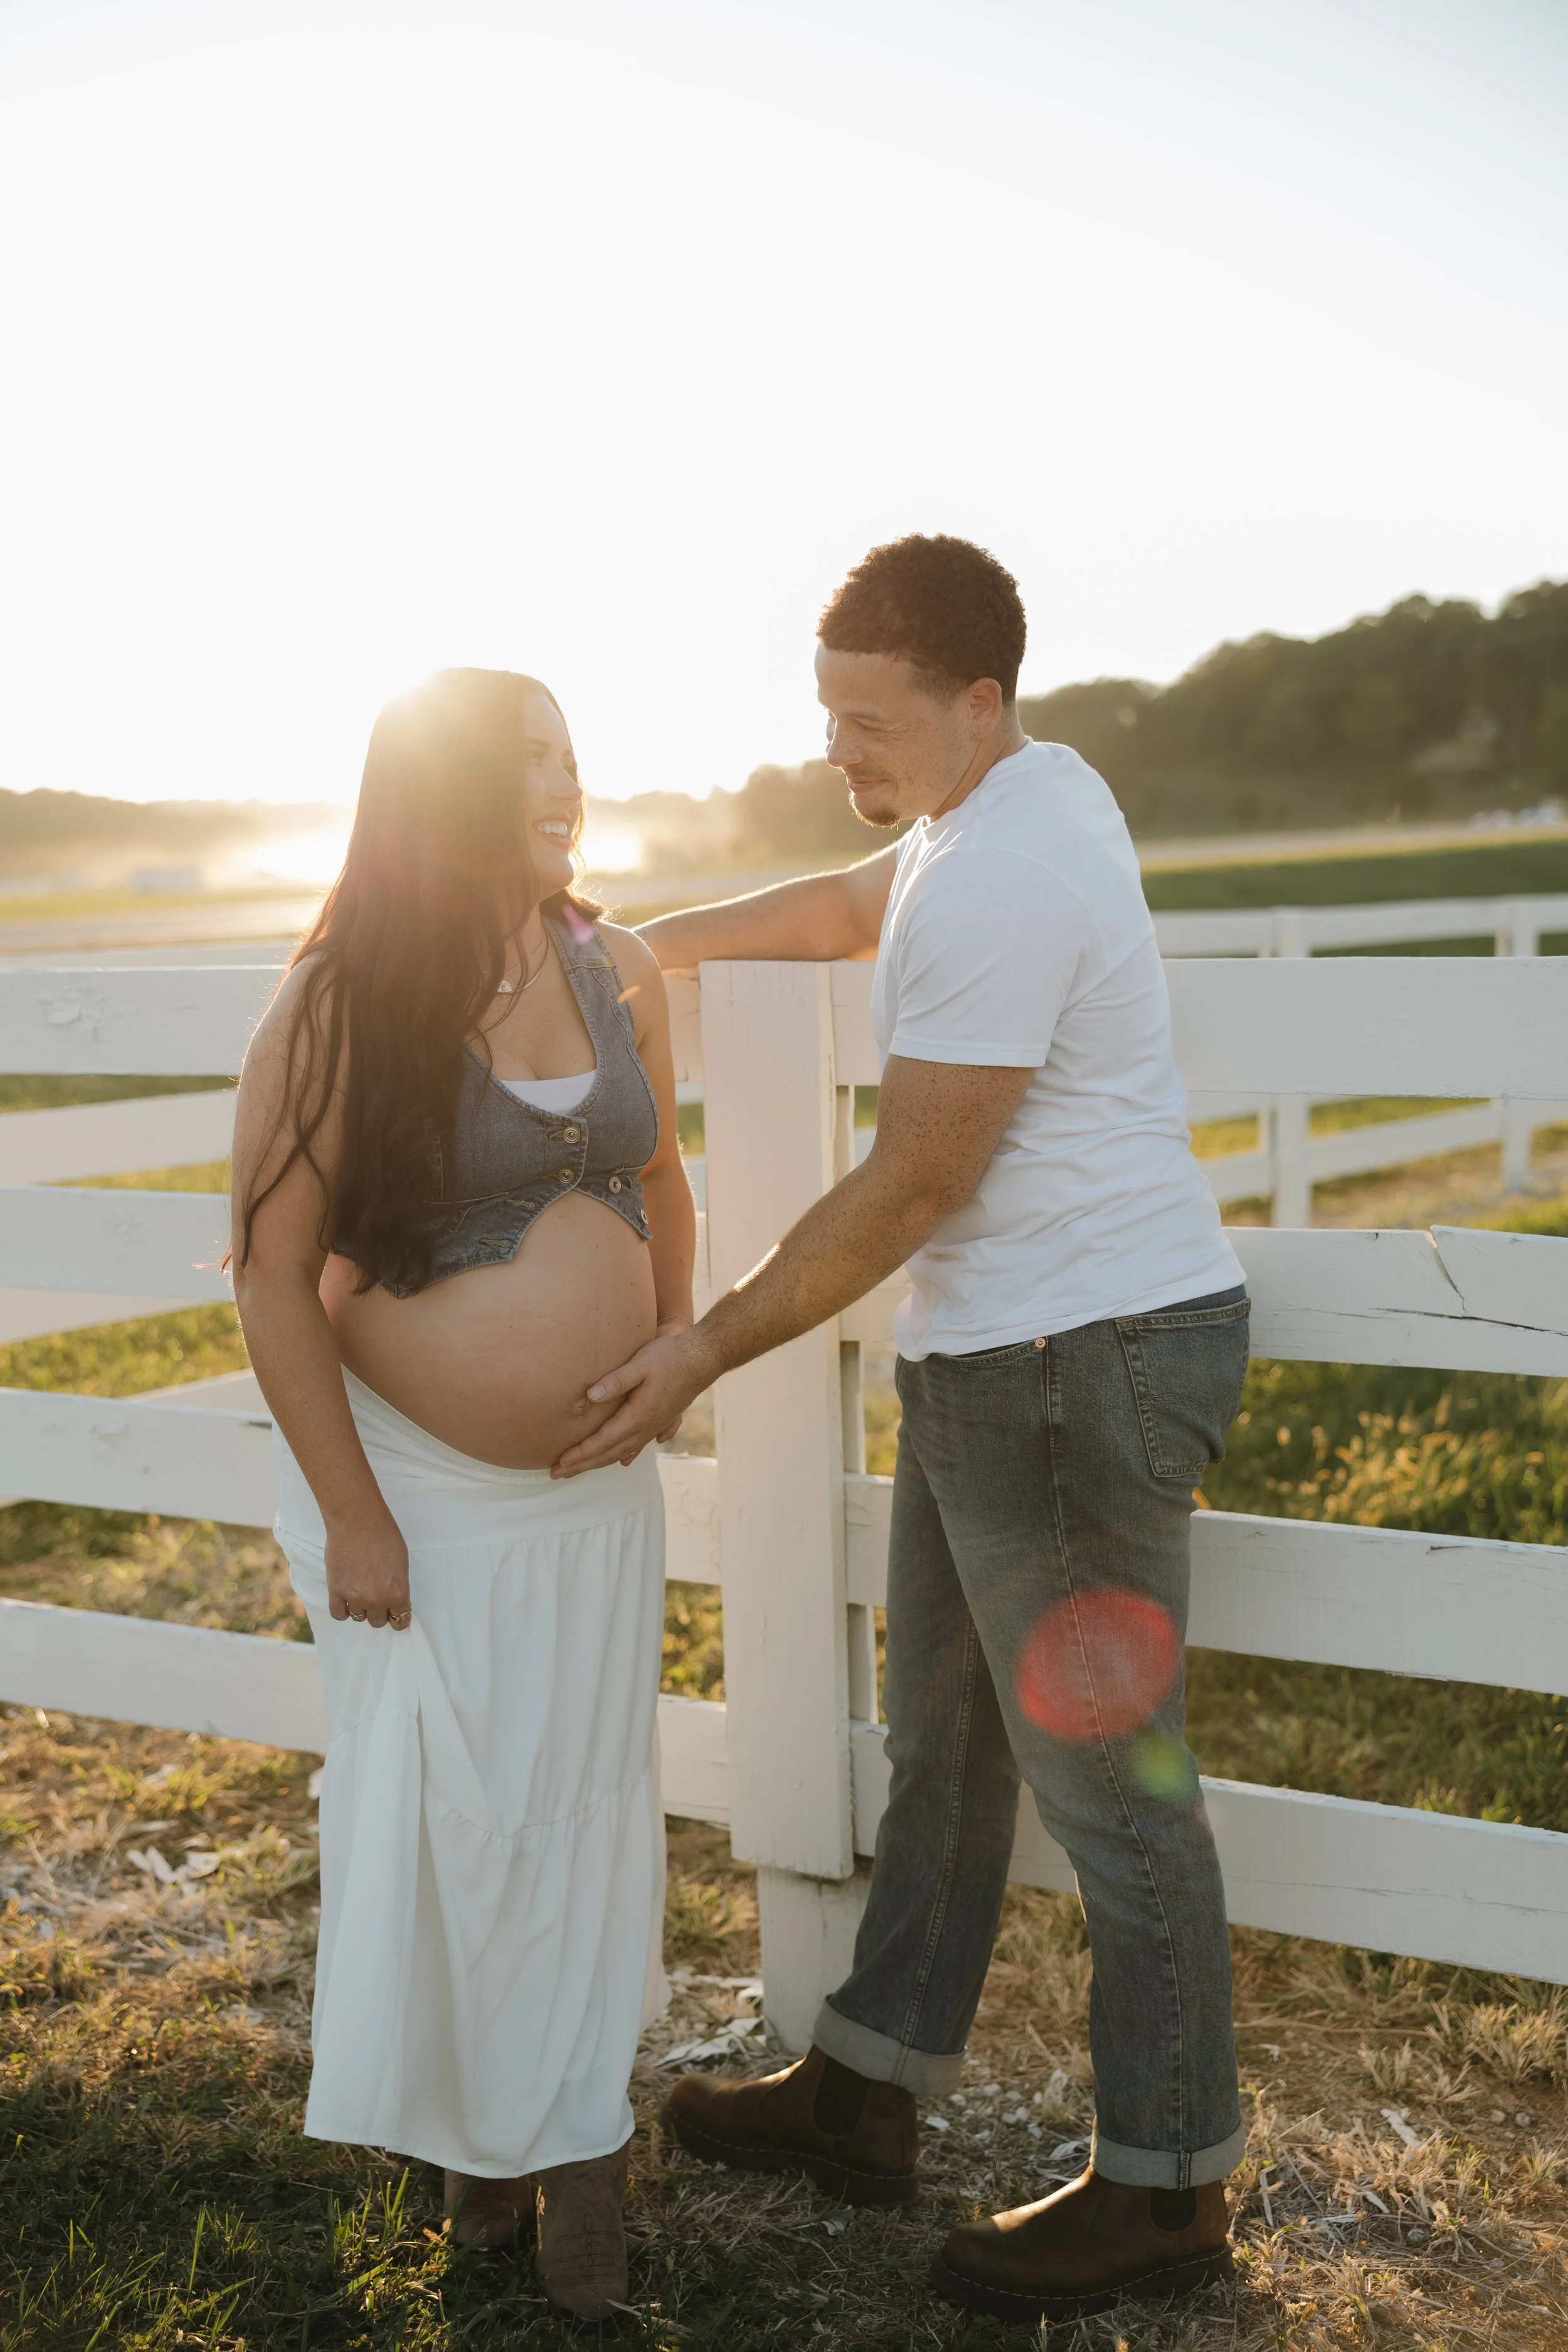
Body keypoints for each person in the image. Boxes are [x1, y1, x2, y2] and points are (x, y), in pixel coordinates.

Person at [554, 537, 1251, 2328]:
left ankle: (1168, 2184)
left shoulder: (1009, 863)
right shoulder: (1008, 799)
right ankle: (866, 2086)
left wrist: (700, 1342)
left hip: (1071, 1366)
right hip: (999, 1363)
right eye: (828, 719)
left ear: (975, 699)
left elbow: (914, 1180)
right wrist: (661, 941)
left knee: (1114, 1791)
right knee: (935, 1744)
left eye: (871, 724)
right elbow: (858, 901)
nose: (845, 754)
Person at [230, 668, 694, 2323]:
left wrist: (677, 1356)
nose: (559, 786)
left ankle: (556, 2158)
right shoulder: (343, 1000)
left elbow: (653, 1173)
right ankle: (499, 2157)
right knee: (460, 1825)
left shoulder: (607, 960)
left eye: (569, 755)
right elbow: (273, 1275)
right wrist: (355, 1514)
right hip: (422, 1500)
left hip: (590, 1501)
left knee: (575, 1816)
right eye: (519, 767)